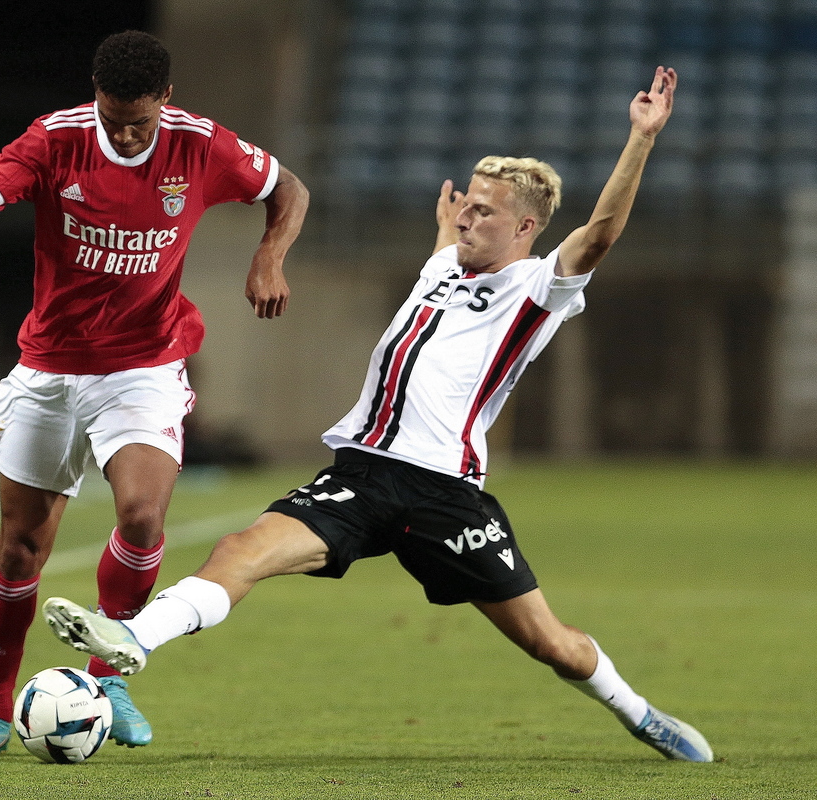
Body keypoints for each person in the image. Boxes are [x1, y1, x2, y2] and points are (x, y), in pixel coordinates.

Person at [45, 67, 715, 763]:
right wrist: (450, 227)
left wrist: (641, 138)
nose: (467, 218)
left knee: (554, 646)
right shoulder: (442, 265)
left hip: (443, 494)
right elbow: (449, 242)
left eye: (485, 212)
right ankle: (132, 641)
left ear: (526, 227)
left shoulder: (537, 288)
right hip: (360, 477)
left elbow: (600, 232)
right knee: (239, 550)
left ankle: (639, 713)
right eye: (466, 205)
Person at [0, 30, 309, 757]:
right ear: (95, 96)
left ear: (165, 98)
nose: (125, 133)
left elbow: (290, 188)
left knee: (140, 517)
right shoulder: (55, 139)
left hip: (143, 365)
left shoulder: (200, 145)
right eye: (112, 118)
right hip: (50, 367)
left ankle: (110, 677)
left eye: (138, 121)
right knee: (19, 551)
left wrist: (270, 255)